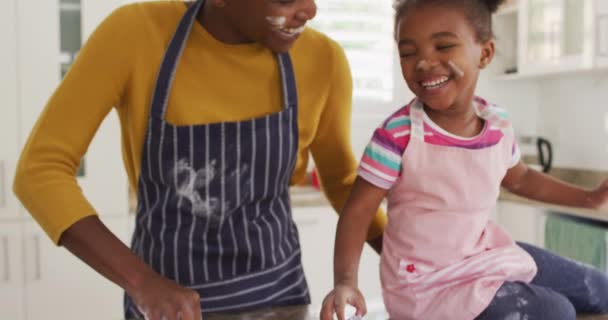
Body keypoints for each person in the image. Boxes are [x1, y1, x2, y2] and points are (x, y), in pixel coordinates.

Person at [12, 0, 388, 319]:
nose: (310, 9)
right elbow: (40, 170)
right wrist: (142, 282)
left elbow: (343, 183)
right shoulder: (136, 34)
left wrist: (425, 264)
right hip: (166, 310)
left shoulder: (323, 59)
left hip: (280, 301)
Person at [319, 0, 608, 319]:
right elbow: (357, 212)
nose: (424, 63)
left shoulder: (496, 123)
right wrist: (345, 281)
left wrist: (590, 198)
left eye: (443, 46)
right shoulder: (397, 135)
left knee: (600, 288)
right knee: (556, 311)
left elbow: (521, 178)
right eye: (408, 52)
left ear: (484, 53)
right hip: (428, 286)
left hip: (485, 256)